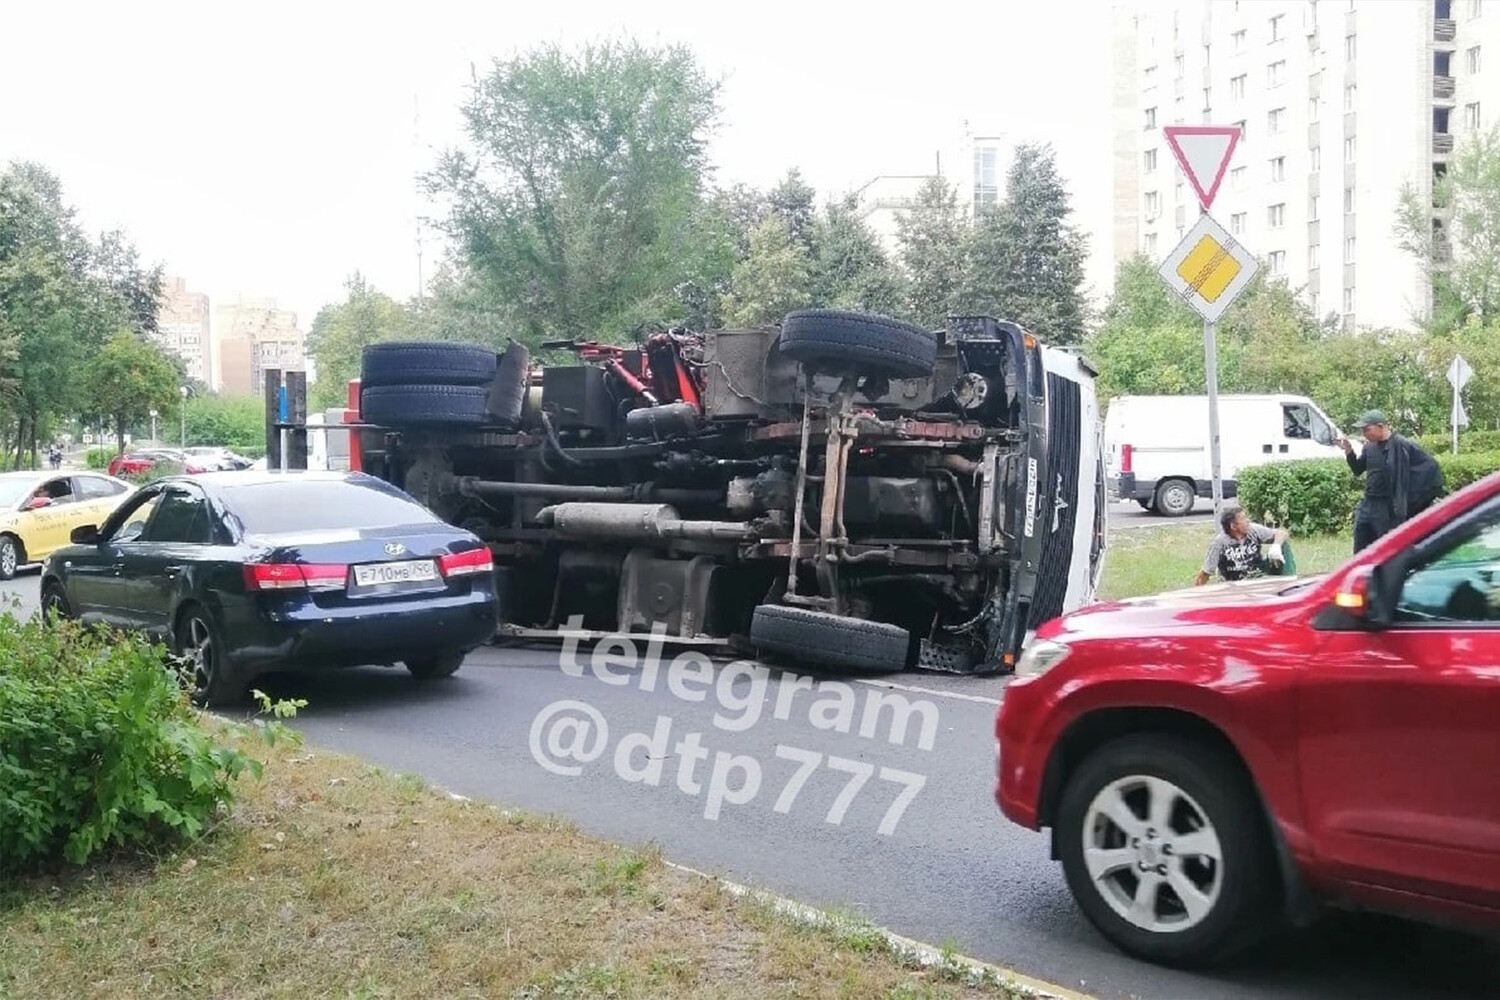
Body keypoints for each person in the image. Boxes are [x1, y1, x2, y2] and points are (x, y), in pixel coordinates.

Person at [1339, 409, 1444, 552]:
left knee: (1386, 549)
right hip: (1368, 504)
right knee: (1361, 546)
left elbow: (1430, 466)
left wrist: (1411, 497)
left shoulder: (1402, 445)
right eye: (1362, 430)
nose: (1364, 434)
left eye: (1367, 429)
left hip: (1387, 507)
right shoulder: (1369, 447)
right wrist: (1349, 452)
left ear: (1381, 426)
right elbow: (1358, 470)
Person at [1196, 506, 1292, 585]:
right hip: (1232, 586)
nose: (1248, 521)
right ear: (1233, 526)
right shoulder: (1220, 543)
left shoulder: (1254, 530)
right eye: (1243, 519)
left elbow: (1281, 533)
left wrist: (1276, 546)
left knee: (1284, 546)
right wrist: (1196, 594)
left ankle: (1289, 583)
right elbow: (1206, 572)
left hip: (1258, 580)